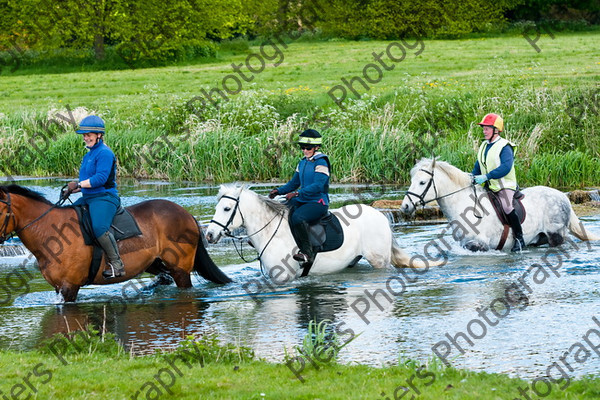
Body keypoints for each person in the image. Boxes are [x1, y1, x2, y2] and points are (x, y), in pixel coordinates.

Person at [66, 115, 125, 278]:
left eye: (88, 134)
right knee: (65, 215)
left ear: (99, 135)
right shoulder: (89, 154)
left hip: (104, 197)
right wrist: (73, 190)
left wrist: (78, 185)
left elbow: (100, 179)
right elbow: (87, 181)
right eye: (84, 135)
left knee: (99, 228)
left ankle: (117, 265)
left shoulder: (105, 153)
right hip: (89, 197)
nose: (85, 138)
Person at [268, 129, 331, 267]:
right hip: (303, 199)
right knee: (279, 208)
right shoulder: (302, 162)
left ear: (316, 147)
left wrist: (297, 194)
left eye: (308, 148)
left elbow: (318, 186)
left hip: (318, 201)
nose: (305, 150)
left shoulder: (321, 162)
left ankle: (307, 253)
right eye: (302, 147)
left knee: (297, 217)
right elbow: (294, 183)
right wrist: (278, 191)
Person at [472, 113, 525, 252]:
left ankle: (520, 239)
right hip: (489, 186)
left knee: (507, 208)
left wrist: (487, 176)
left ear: (496, 130)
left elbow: (505, 168)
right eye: (483, 129)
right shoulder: (484, 145)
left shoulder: (505, 146)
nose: (484, 131)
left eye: (487, 128)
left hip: (504, 186)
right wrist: (472, 177)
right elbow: (479, 165)